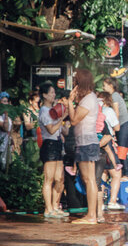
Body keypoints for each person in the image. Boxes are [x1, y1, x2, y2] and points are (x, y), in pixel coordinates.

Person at [68, 68, 103, 224]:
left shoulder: (89, 99)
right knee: (89, 179)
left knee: (89, 180)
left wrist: (69, 102)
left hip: (86, 143)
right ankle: (92, 214)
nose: (74, 82)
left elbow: (74, 120)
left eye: (75, 80)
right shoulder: (89, 98)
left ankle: (91, 216)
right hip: (86, 142)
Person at [38, 82, 68, 218]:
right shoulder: (44, 111)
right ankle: (48, 208)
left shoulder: (55, 112)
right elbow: (50, 130)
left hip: (57, 143)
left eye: (54, 93)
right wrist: (61, 119)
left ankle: (56, 206)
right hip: (49, 144)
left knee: (59, 178)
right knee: (49, 178)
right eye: (51, 93)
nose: (53, 95)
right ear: (44, 95)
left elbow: (64, 131)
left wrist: (65, 120)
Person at [102, 76, 128, 178]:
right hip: (121, 124)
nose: (103, 87)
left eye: (104, 85)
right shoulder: (113, 95)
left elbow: (116, 113)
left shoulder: (114, 96)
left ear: (111, 85)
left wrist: (114, 128)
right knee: (120, 148)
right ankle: (124, 170)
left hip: (123, 124)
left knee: (122, 148)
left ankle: (126, 172)